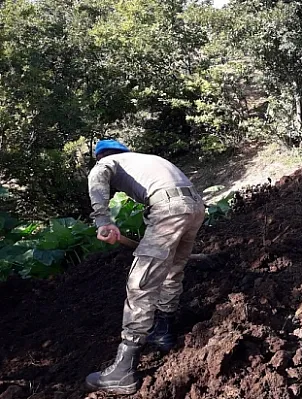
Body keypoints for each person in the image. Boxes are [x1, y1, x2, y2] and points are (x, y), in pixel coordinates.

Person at [85, 139, 205, 394]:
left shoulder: (107, 162)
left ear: (104, 155)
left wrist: (103, 220)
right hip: (194, 205)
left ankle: (123, 370)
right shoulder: (147, 160)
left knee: (141, 282)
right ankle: (164, 332)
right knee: (173, 271)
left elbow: (98, 175)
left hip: (170, 208)